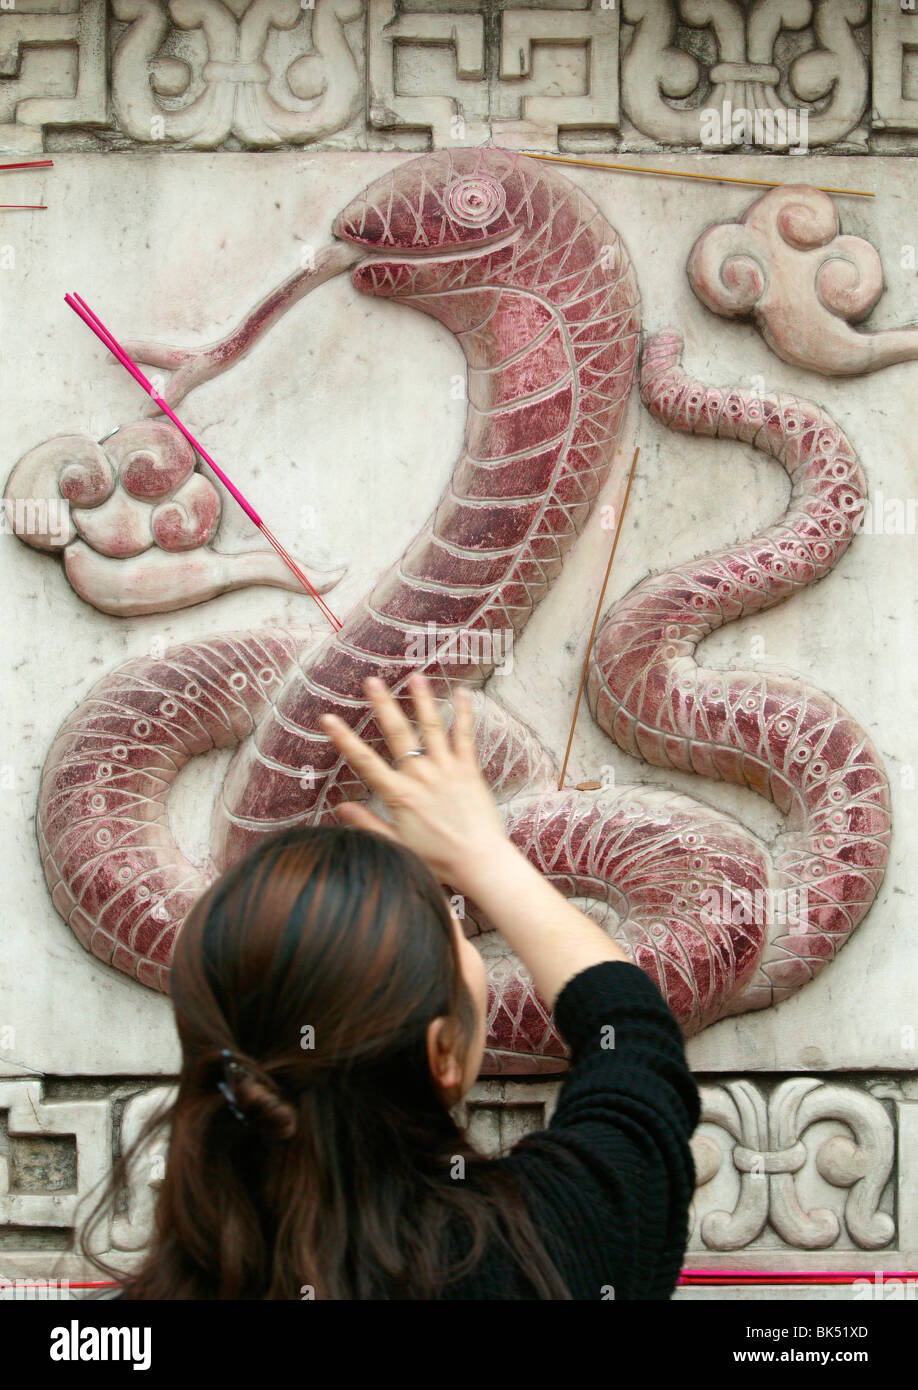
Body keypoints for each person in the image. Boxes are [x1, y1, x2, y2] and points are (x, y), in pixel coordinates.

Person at [86, 673, 699, 1299]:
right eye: (454, 938)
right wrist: (487, 857)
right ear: (441, 1053)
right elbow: (635, 1052)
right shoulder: (545, 1250)